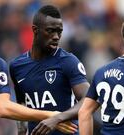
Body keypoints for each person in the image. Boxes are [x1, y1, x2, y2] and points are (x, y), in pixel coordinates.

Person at [9, 5, 90, 135]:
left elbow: (89, 99)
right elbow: (22, 103)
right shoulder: (16, 66)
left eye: (59, 31)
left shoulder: (68, 61)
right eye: (51, 31)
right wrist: (21, 130)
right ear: (35, 30)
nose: (56, 36)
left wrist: (57, 118)